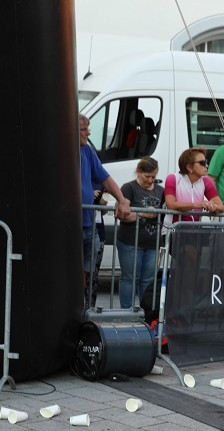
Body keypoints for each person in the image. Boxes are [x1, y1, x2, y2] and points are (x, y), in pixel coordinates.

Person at [79, 113, 130, 307]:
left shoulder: (88, 151)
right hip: (71, 223)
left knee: (86, 273)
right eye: (84, 129)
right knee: (73, 274)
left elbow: (105, 178)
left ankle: (80, 315)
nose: (88, 133)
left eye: (88, 128)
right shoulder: (64, 149)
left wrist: (122, 199)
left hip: (89, 223)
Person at [117, 157, 166, 308]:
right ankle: (126, 313)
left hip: (153, 243)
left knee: (148, 281)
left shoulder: (161, 191)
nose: (150, 180)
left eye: (154, 176)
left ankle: (145, 313)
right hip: (130, 241)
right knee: (130, 278)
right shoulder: (128, 188)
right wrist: (143, 214)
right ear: (139, 172)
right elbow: (121, 215)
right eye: (147, 176)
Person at [165, 147, 223, 223]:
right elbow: (171, 205)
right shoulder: (173, 178)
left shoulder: (205, 181)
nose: (207, 165)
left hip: (194, 230)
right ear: (189, 167)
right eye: (202, 163)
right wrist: (198, 205)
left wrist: (211, 206)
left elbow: (221, 207)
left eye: (206, 161)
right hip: (172, 230)